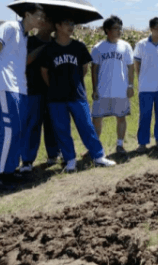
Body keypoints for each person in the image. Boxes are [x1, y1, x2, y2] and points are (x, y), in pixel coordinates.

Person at [0, 3, 46, 191]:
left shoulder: (24, 36)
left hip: (18, 89)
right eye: (39, 16)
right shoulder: (9, 27)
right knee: (8, 131)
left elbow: (23, 60)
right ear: (27, 14)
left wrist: (43, 48)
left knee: (18, 130)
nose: (42, 20)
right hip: (3, 86)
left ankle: (9, 171)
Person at [40, 17, 116, 172]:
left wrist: (76, 84)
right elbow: (44, 72)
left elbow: (84, 69)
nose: (71, 26)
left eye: (72, 24)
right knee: (62, 129)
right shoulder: (49, 49)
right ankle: (70, 160)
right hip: (56, 98)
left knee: (87, 127)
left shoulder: (79, 47)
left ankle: (98, 156)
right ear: (58, 25)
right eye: (67, 23)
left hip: (77, 95)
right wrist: (54, 87)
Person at [20, 14, 60, 171]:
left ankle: (53, 155)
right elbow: (27, 60)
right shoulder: (29, 41)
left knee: (53, 123)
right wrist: (45, 47)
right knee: (32, 125)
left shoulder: (57, 43)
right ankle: (27, 161)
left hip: (53, 89)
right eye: (49, 21)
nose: (51, 24)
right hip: (33, 88)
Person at [91, 15, 135, 157]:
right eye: (115, 28)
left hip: (120, 89)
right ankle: (94, 147)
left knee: (121, 118)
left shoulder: (126, 46)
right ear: (107, 30)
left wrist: (130, 85)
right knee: (97, 119)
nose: (119, 31)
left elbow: (131, 67)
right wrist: (94, 89)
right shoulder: (98, 48)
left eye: (120, 28)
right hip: (102, 90)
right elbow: (94, 69)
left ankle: (120, 145)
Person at [134, 17, 158, 152]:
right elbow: (136, 63)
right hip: (145, 86)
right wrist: (140, 78)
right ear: (151, 29)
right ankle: (142, 143)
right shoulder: (141, 44)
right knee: (145, 115)